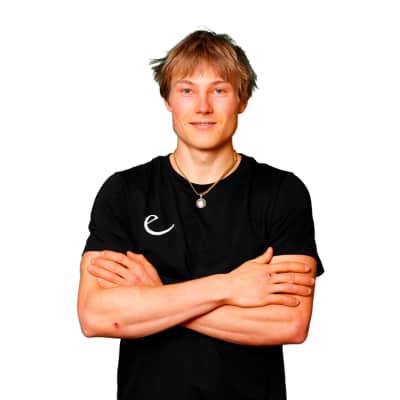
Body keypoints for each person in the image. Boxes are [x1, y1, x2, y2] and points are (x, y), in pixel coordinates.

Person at [78, 29, 323, 400]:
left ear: (242, 100)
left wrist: (155, 299)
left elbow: (289, 323)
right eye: (187, 90)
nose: (203, 107)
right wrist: (229, 287)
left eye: (219, 90)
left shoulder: (281, 193)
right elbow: (95, 316)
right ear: (168, 100)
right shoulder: (125, 191)